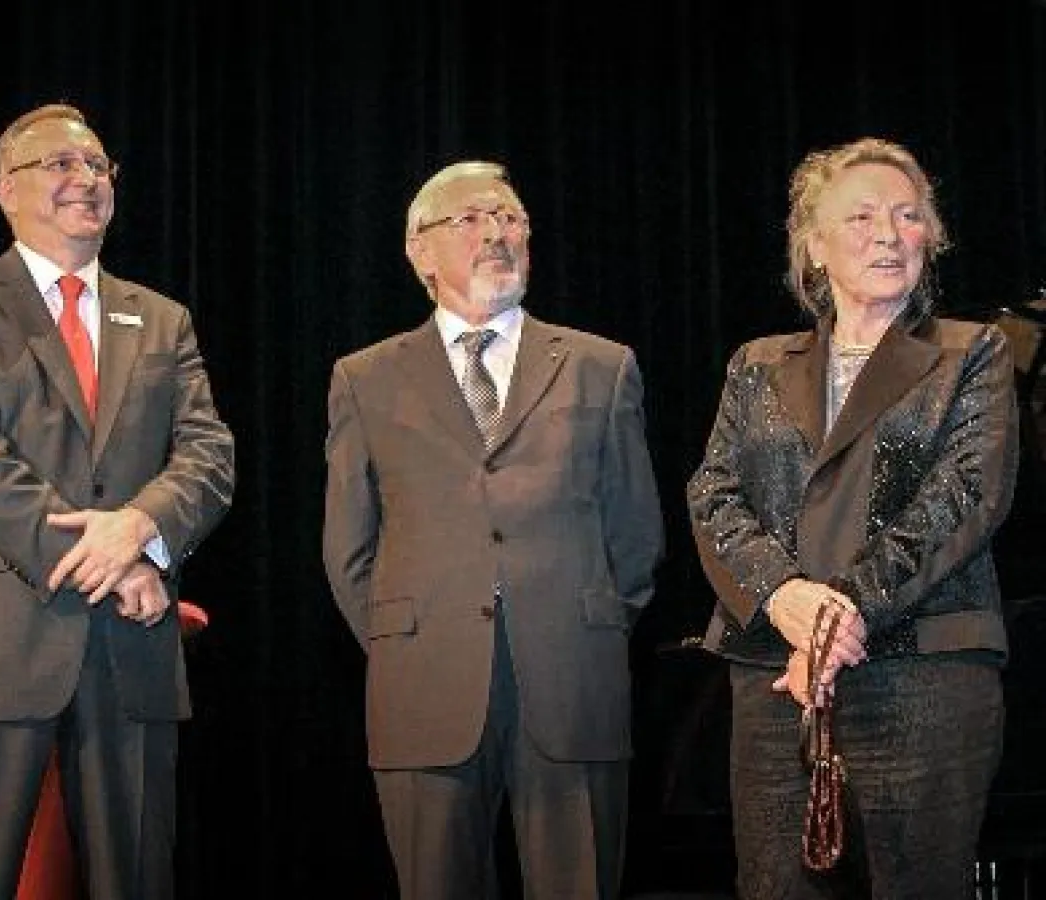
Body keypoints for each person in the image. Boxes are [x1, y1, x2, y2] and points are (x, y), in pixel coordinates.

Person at [0, 102, 235, 900]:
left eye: (98, 167)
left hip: (132, 650)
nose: (86, 179)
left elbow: (209, 454)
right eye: (60, 164)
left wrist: (145, 529)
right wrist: (107, 560)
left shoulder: (162, 318)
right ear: (4, 188)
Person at [686, 136, 1018, 899]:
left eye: (908, 216)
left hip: (925, 671)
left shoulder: (972, 352)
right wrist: (787, 598)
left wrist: (836, 623)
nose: (889, 233)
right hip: (778, 678)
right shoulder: (757, 363)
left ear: (930, 238)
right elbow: (712, 493)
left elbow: (964, 496)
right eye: (862, 215)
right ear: (814, 244)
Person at [322, 160, 664, 900]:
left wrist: (587, 625)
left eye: (510, 219)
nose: (496, 234)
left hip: (573, 680)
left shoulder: (600, 367)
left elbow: (636, 536)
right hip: (424, 683)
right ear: (420, 251)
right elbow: (350, 548)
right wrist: (406, 637)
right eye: (471, 219)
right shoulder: (366, 377)